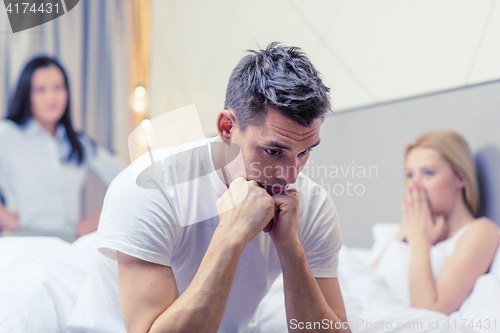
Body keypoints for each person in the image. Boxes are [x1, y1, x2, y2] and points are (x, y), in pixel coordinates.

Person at [68, 43, 350, 332]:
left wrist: (290, 248)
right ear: (227, 127)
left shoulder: (312, 205)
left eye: (304, 152)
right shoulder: (149, 187)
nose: (290, 176)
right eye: (273, 152)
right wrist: (230, 236)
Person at [372, 130, 499, 314]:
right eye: (409, 175)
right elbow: (366, 280)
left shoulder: (480, 231)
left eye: (428, 173)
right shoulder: (412, 229)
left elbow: (430, 311)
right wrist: (405, 228)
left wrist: (420, 241)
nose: (414, 186)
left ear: (460, 178)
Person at [0, 56, 124, 242]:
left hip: (68, 246)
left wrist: (94, 222)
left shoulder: (79, 143)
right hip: (22, 242)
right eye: (40, 90)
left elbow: (128, 178)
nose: (51, 97)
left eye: (58, 88)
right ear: (27, 95)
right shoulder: (7, 134)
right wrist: (4, 215)